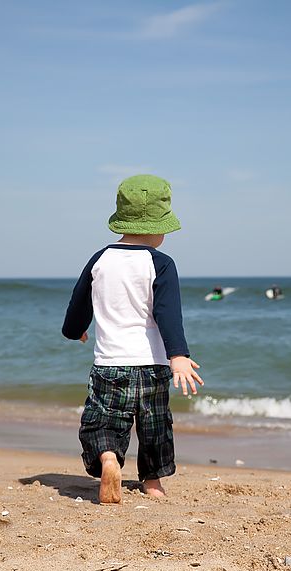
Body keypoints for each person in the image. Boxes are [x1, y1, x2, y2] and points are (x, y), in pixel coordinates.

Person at [62, 174, 204, 504]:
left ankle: (109, 458)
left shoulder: (100, 259)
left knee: (104, 421)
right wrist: (178, 354)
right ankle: (153, 484)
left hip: (110, 364)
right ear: (160, 227)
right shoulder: (162, 264)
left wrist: (74, 330)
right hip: (152, 364)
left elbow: (80, 302)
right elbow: (168, 313)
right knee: (154, 425)